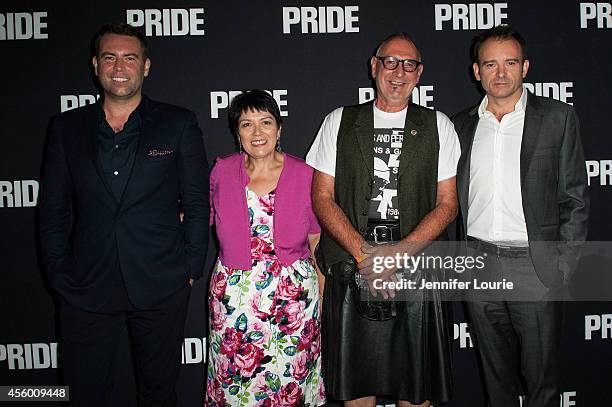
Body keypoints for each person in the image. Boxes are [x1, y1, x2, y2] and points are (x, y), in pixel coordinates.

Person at [39, 22, 209, 406]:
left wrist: (189, 268)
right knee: (85, 393)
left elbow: (197, 204)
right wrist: (58, 272)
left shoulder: (178, 123)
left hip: (161, 282)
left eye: (130, 57)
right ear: (95, 65)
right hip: (85, 284)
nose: (120, 66)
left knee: (158, 392)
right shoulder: (66, 128)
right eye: (110, 57)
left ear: (145, 67)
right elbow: (53, 210)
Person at [306, 33, 460, 407]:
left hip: (417, 268)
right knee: (356, 387)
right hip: (352, 265)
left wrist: (396, 255)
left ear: (419, 73)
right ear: (374, 66)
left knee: (416, 387)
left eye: (409, 64)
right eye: (390, 61)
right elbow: (321, 198)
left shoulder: (439, 126)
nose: (399, 71)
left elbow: (447, 204)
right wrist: (366, 255)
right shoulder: (339, 121)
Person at [452, 26, 589, 406]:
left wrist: (562, 266)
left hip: (535, 266)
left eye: (509, 63)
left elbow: (575, 198)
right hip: (478, 264)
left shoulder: (557, 119)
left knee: (542, 382)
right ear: (476, 71)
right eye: (490, 64)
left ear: (525, 67)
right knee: (495, 377)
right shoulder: (460, 125)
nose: (500, 73)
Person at [206, 90, 325, 407]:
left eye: (266, 122)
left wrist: (324, 300)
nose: (257, 133)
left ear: (279, 128)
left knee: (291, 384)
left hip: (295, 304)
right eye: (247, 124)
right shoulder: (221, 172)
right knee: (237, 386)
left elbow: (317, 243)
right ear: (236, 131)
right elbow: (197, 218)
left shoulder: (305, 174)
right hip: (235, 302)